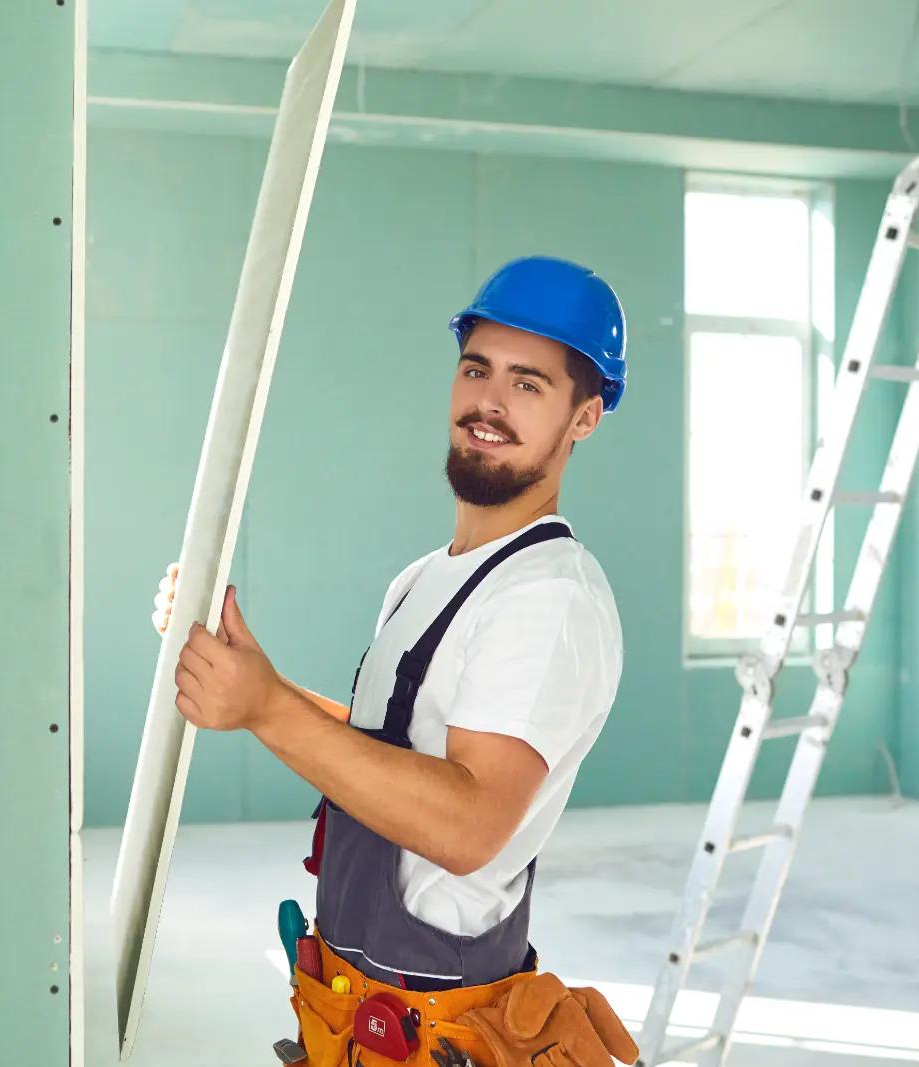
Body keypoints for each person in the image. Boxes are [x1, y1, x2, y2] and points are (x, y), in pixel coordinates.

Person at [154, 257, 639, 1067]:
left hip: (435, 1025)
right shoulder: (424, 577)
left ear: (583, 418)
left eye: (529, 384)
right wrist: (251, 677)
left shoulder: (550, 598)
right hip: (356, 1014)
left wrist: (266, 708)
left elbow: (467, 822)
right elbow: (395, 755)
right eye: (477, 368)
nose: (488, 401)